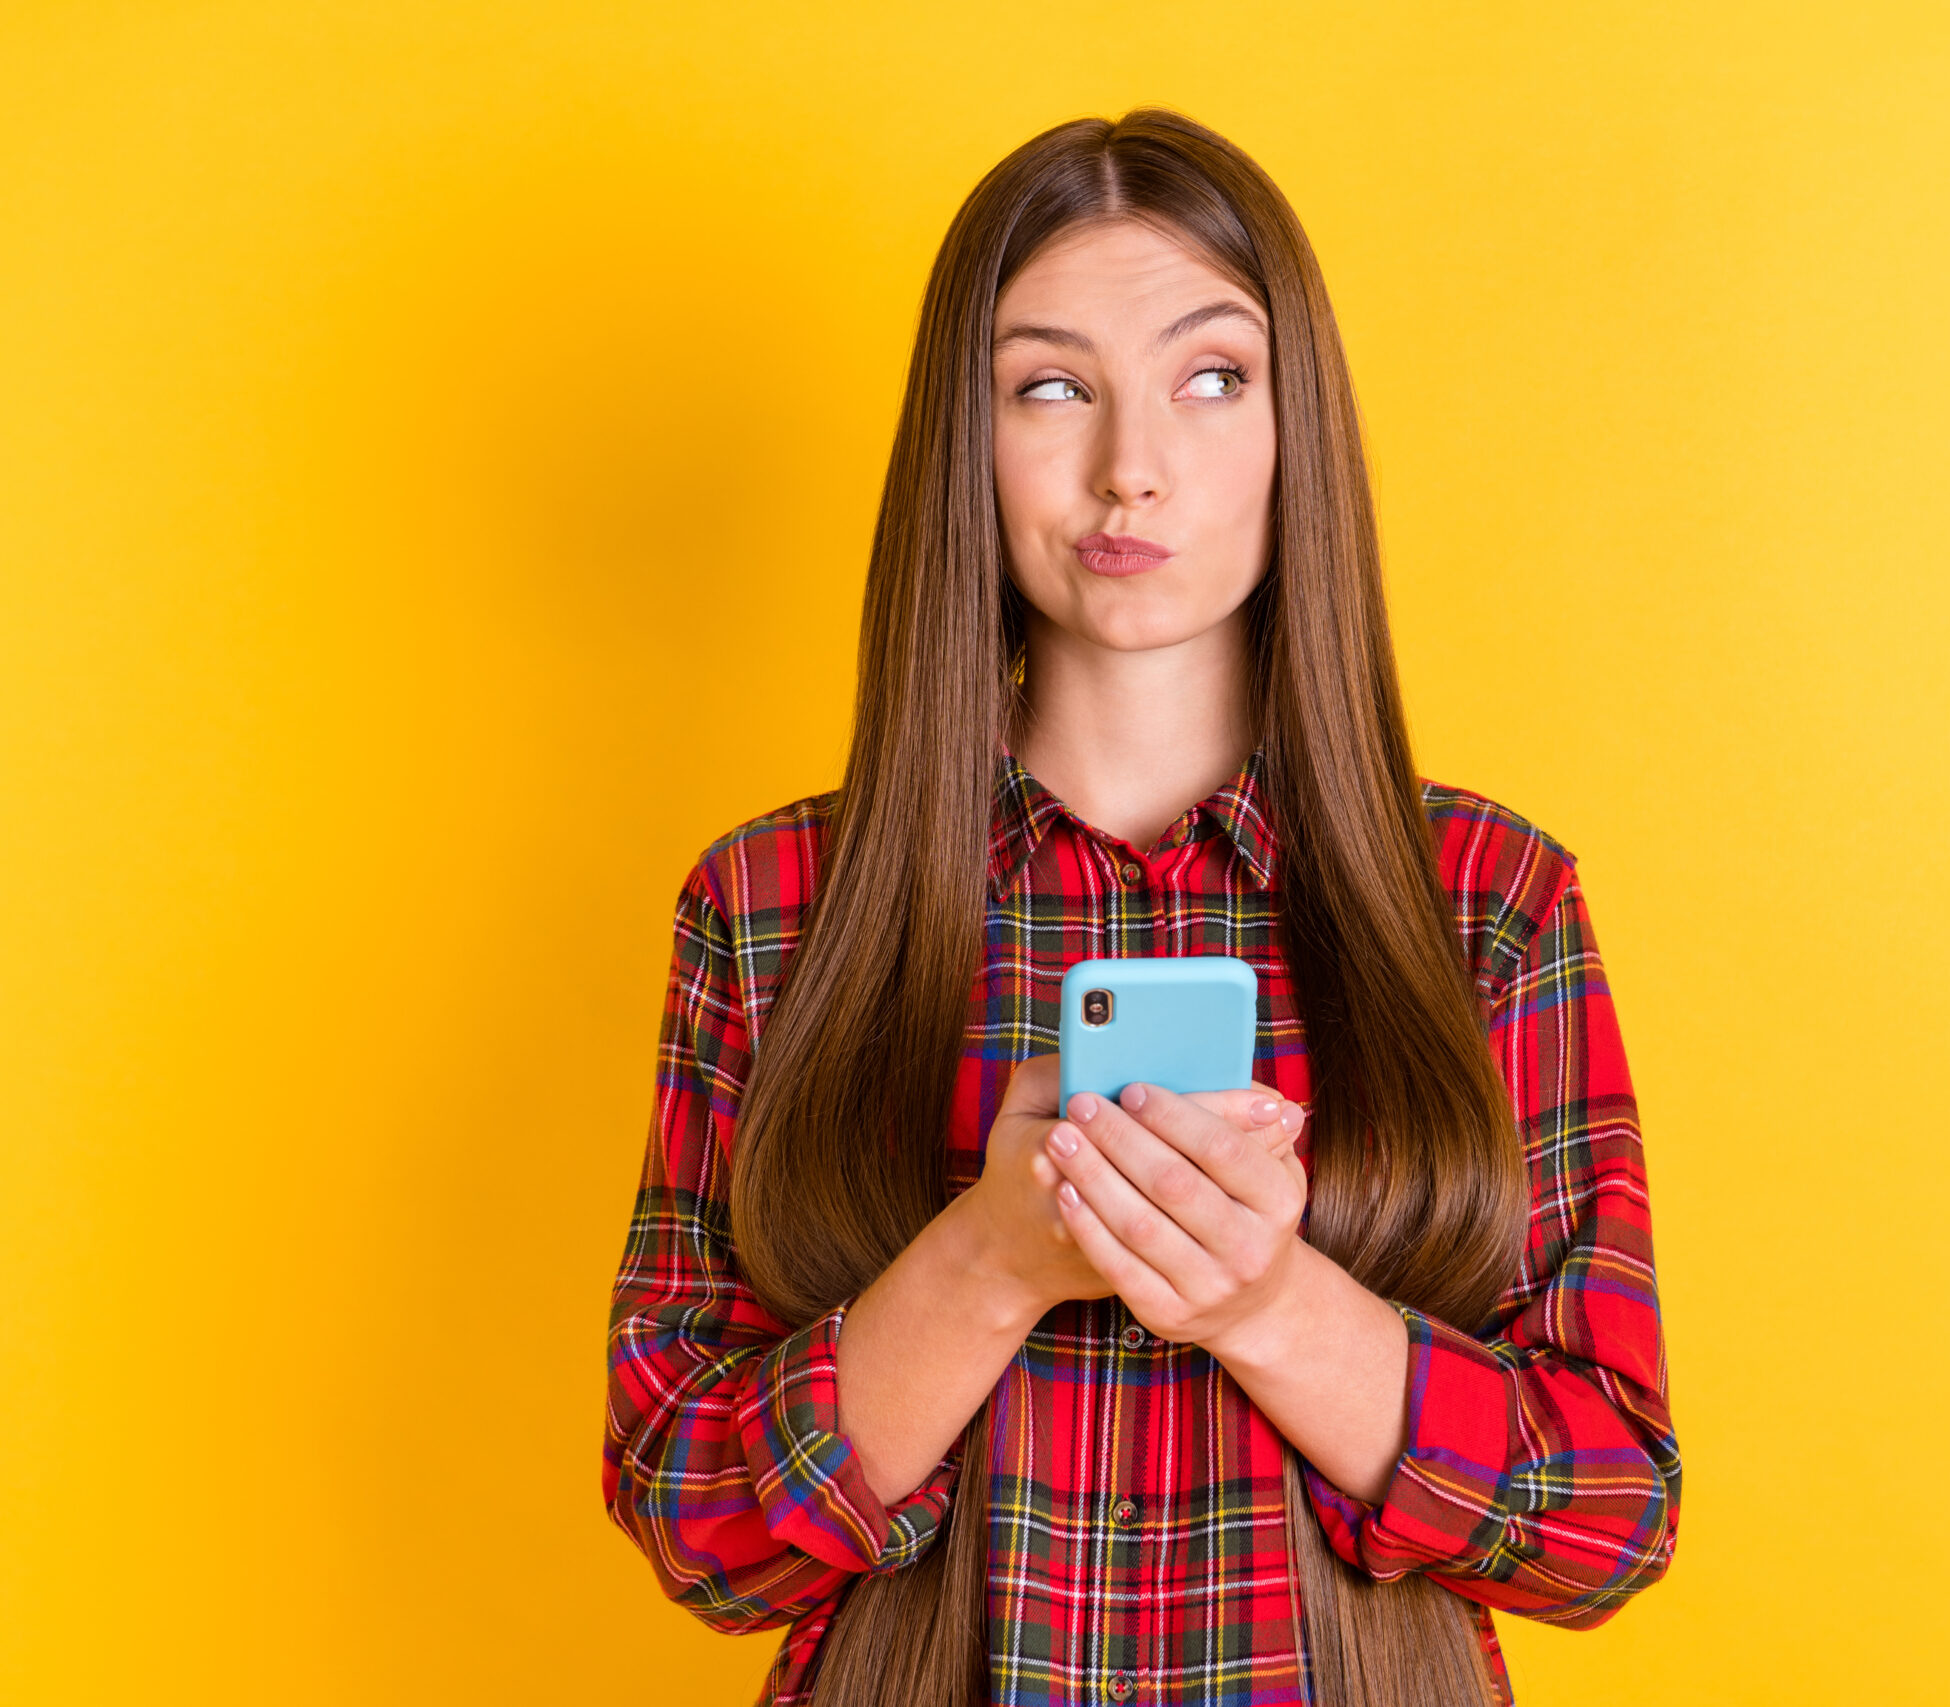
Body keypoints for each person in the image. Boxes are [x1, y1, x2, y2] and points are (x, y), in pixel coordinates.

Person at [603, 108, 1679, 1707]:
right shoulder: (772, 910)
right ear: (965, 444)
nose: (1133, 466)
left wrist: (1269, 1300)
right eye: (1052, 386)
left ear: (1291, 424)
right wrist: (992, 1258)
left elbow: (1608, 1514)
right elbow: (695, 1525)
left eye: (1210, 378)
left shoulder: (1491, 904)